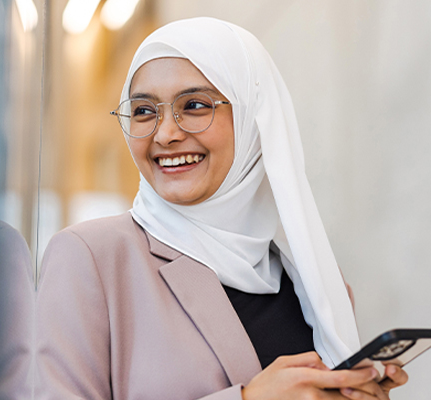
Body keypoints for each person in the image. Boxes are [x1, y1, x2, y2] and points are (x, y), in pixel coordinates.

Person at [29, 18, 409, 399]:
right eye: (144, 111)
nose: (165, 134)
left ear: (252, 118)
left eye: (193, 105)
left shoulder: (317, 283)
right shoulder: (92, 258)